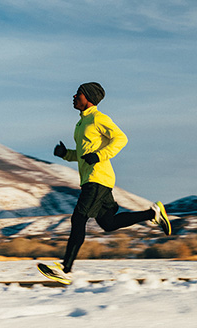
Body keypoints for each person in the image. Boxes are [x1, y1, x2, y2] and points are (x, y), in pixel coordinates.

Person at [37, 82, 171, 285]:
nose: (74, 96)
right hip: (94, 179)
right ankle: (153, 213)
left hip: (97, 179)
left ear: (88, 98)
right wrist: (65, 154)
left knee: (78, 219)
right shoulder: (81, 124)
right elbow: (83, 156)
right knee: (108, 223)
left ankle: (66, 269)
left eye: (78, 94)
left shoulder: (99, 118)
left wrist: (99, 155)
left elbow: (121, 139)